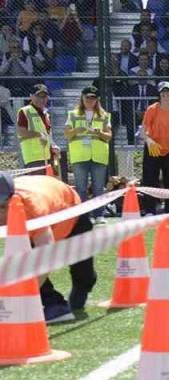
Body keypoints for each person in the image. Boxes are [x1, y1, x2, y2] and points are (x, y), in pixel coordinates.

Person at [0, 173, 96, 322]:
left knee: (83, 275)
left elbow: (47, 253)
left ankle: (85, 284)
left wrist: (24, 294)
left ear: (12, 199)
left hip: (72, 213)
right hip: (34, 223)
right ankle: (55, 305)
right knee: (23, 262)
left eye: (2, 207)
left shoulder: (33, 208)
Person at [64, 85, 112, 222]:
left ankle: (99, 215)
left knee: (98, 187)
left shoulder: (104, 115)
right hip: (79, 156)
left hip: (98, 155)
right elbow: (66, 134)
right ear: (82, 98)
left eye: (93, 98)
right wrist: (76, 130)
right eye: (88, 98)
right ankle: (84, 216)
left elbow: (109, 136)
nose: (90, 101)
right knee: (81, 188)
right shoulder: (73, 114)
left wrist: (99, 132)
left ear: (97, 100)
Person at [140, 81, 169, 215]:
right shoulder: (152, 109)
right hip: (153, 150)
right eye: (163, 92)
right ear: (159, 94)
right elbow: (143, 130)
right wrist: (149, 141)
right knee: (150, 180)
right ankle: (149, 210)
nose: (166, 94)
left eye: (168, 92)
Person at [16, 84, 57, 169]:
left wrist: (53, 146)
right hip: (33, 158)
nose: (41, 99)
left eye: (44, 97)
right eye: (38, 96)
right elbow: (21, 132)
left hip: (47, 156)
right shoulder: (25, 111)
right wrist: (39, 134)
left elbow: (47, 134)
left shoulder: (46, 114)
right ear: (31, 96)